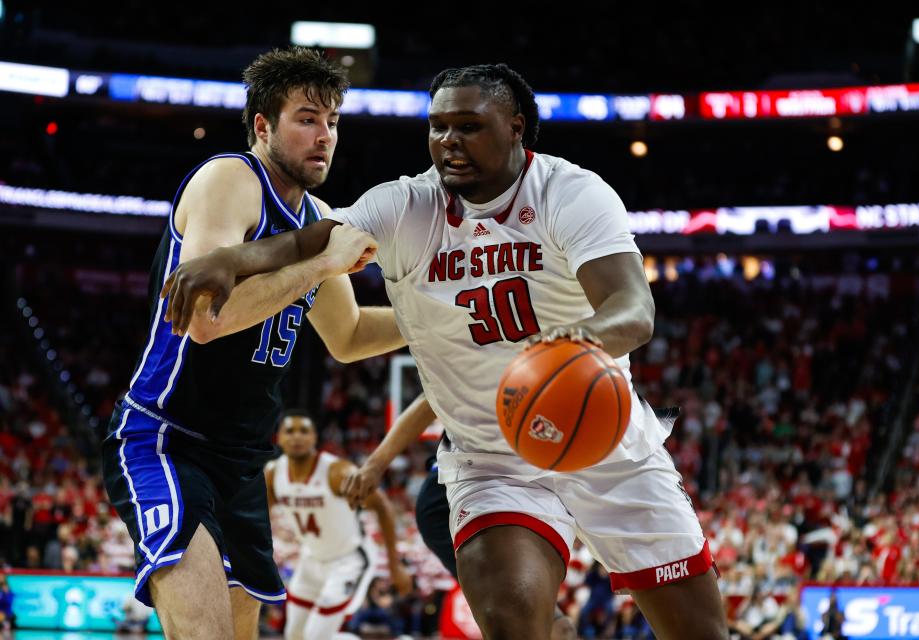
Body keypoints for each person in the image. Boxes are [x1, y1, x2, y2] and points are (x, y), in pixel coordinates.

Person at [160, 63, 729, 639]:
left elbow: (635, 311)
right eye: (437, 127)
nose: (448, 142)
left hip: (604, 440)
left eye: (468, 126)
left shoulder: (571, 192)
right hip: (492, 458)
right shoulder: (407, 205)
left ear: (516, 127)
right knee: (511, 615)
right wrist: (234, 259)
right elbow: (313, 238)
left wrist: (584, 340)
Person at [101, 47, 406, 640]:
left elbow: (347, 337)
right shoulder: (230, 179)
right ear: (263, 125)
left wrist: (449, 320)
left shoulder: (316, 216)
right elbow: (205, 319)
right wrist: (322, 266)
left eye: (333, 122)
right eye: (307, 118)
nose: (324, 136)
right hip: (167, 439)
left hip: (241, 461)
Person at [341, 394, 577, 640]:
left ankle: (551, 618)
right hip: (477, 467)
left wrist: (376, 464)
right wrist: (376, 464)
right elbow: (432, 396)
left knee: (517, 613)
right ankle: (552, 619)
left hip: (515, 464)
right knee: (518, 613)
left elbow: (430, 398)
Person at [266, 410, 413, 639]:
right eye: (290, 431)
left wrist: (395, 565)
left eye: (304, 431)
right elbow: (258, 516)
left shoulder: (336, 472)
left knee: (316, 636)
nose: (297, 437)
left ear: (315, 438)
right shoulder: (274, 473)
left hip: (348, 560)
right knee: (294, 634)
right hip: (311, 558)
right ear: (279, 438)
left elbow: (382, 506)